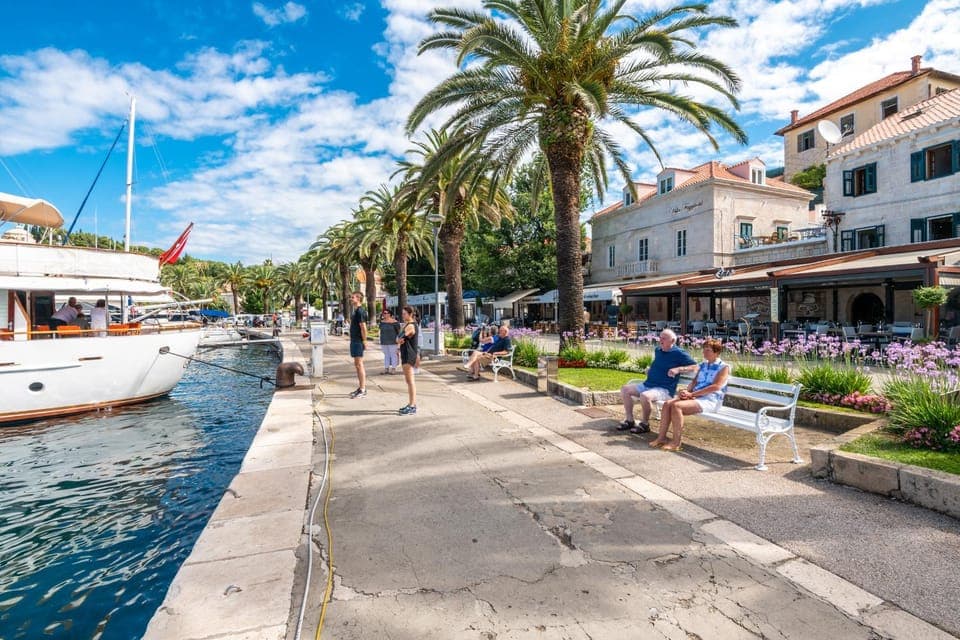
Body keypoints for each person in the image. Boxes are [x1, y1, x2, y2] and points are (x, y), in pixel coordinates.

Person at [651, 338, 730, 451]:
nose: (704, 352)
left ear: (716, 352)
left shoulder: (723, 367)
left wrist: (692, 394)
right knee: (667, 404)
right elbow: (694, 382)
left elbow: (716, 387)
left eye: (707, 350)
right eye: (704, 349)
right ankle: (661, 438)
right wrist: (686, 391)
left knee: (677, 406)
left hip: (710, 400)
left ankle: (676, 443)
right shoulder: (703, 365)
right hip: (695, 397)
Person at [617, 329, 698, 434]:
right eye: (660, 338)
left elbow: (695, 366)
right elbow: (659, 362)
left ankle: (644, 424)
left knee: (645, 396)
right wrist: (651, 368)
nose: (660, 340)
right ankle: (630, 420)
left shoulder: (679, 353)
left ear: (672, 341)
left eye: (664, 338)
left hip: (664, 389)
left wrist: (679, 369)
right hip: (649, 384)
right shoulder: (658, 350)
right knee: (625, 389)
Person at [397, 306, 420, 415]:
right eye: (402, 313)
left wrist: (399, 339)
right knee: (408, 380)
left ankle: (412, 406)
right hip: (405, 353)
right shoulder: (406, 325)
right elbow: (398, 339)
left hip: (409, 354)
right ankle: (412, 404)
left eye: (404, 313)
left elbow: (399, 338)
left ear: (410, 314)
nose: (403, 315)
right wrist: (399, 340)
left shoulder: (411, 325)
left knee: (410, 381)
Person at [347, 292, 368, 398]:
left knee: (359, 365)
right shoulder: (356, 311)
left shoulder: (360, 311)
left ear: (358, 299)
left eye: (353, 297)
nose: (351, 299)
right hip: (354, 340)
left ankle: (363, 389)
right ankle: (360, 387)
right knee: (357, 365)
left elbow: (363, 327)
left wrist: (364, 341)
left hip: (358, 341)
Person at [379, 309, 401, 374]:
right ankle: (386, 368)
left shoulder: (395, 322)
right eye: (383, 313)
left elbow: (399, 332)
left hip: (393, 341)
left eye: (385, 313)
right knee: (386, 355)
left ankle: (394, 369)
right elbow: (381, 331)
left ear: (389, 314)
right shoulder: (382, 322)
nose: (384, 314)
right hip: (384, 341)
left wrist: (398, 342)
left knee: (393, 355)